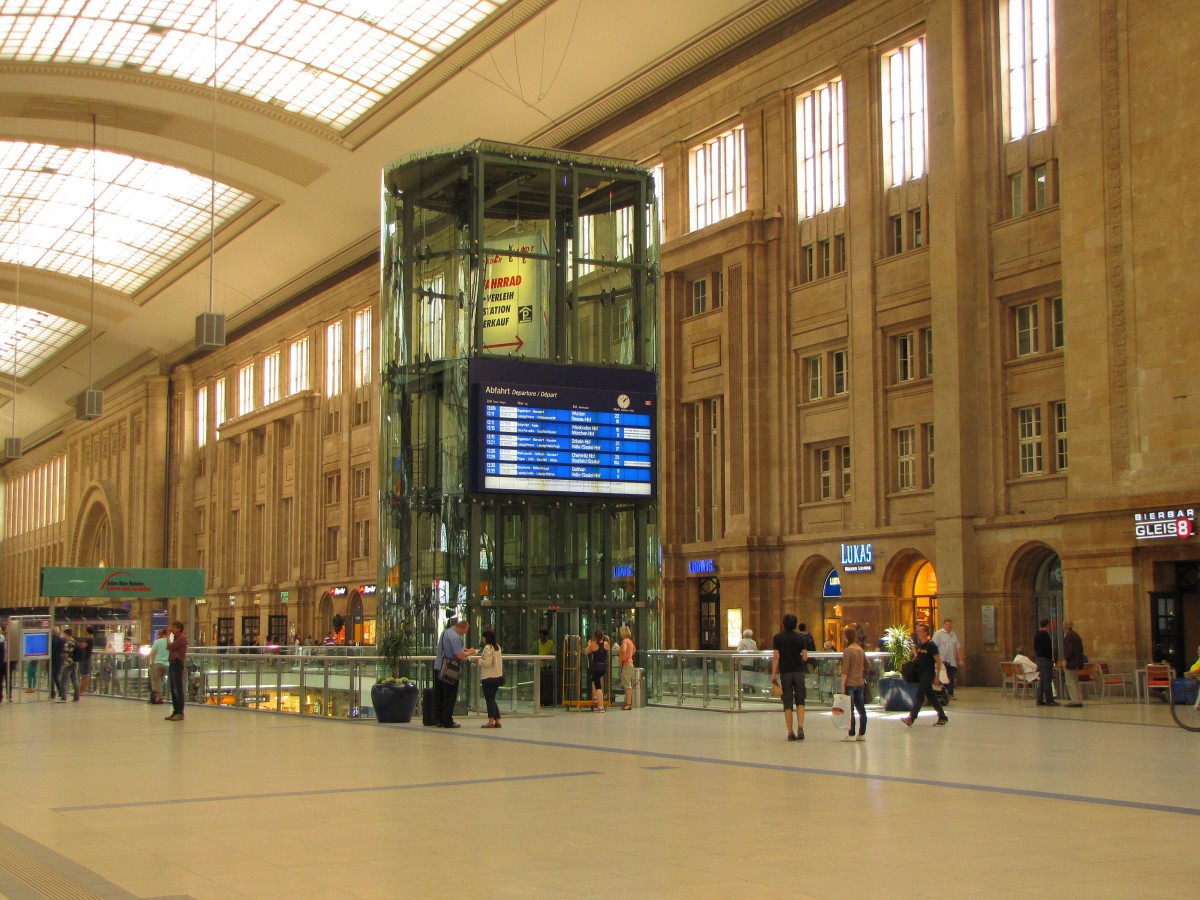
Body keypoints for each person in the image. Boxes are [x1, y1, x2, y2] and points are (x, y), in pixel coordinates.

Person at [433, 618, 476, 728]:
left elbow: (451, 649)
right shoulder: (455, 637)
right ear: (462, 628)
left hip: (438, 667)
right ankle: (448, 720)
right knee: (450, 695)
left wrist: (463, 650)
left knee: (440, 695)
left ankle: (440, 719)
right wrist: (471, 652)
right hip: (449, 670)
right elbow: (459, 655)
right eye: (465, 631)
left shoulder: (445, 633)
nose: (464, 633)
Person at [902, 622, 947, 726]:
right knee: (931, 696)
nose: (917, 633)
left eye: (919, 631)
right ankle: (942, 716)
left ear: (925, 633)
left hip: (928, 674)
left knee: (919, 696)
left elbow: (938, 661)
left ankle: (911, 718)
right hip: (921, 674)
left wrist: (937, 676)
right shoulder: (920, 645)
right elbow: (918, 658)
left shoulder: (931, 646)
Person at [771, 613, 808, 741]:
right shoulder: (800, 637)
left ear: (783, 623)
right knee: (800, 700)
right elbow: (805, 656)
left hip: (785, 672)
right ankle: (801, 726)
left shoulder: (778, 638)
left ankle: (790, 732)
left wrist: (774, 674)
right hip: (798, 671)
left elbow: (776, 657)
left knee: (787, 702)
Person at [839, 625, 867, 742]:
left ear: (846, 637)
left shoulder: (847, 651)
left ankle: (851, 734)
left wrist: (842, 685)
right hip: (860, 682)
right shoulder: (861, 650)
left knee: (850, 710)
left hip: (850, 683)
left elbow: (845, 670)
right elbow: (868, 665)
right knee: (861, 709)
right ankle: (861, 733)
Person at [478, 628, 504, 728]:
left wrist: (479, 661)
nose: (482, 639)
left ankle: (490, 721)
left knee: (489, 699)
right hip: (497, 676)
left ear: (486, 638)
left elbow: (487, 663)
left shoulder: (488, 648)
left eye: (483, 637)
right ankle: (497, 720)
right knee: (492, 698)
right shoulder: (497, 647)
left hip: (488, 676)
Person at [931, 619, 963, 699]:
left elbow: (957, 648)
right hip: (942, 660)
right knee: (944, 678)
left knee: (951, 677)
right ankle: (945, 693)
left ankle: (950, 693)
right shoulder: (938, 634)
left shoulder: (953, 635)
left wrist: (960, 659)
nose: (949, 626)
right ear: (944, 625)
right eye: (947, 624)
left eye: (950, 624)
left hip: (951, 660)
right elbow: (933, 646)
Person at [165, 620, 188, 721]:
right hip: (172, 664)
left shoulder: (182, 639)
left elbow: (169, 647)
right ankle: (175, 711)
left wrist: (168, 636)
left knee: (178, 689)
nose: (172, 629)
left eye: (174, 628)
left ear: (179, 629)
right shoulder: (176, 638)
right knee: (173, 689)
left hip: (177, 664)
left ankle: (180, 712)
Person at [583, 628, 610, 712]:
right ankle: (595, 697)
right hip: (603, 667)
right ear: (603, 636)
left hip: (596, 668)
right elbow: (607, 653)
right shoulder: (606, 644)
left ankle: (600, 706)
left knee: (598, 686)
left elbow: (586, 652)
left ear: (595, 636)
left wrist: (589, 644)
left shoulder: (593, 644)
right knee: (594, 680)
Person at [1033, 618, 1058, 706]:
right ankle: (1049, 700)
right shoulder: (1045, 635)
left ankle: (1039, 699)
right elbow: (1048, 648)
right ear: (1047, 625)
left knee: (1042, 679)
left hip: (1039, 658)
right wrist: (1051, 658)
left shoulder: (1037, 634)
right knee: (1047, 679)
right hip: (1046, 659)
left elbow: (1035, 648)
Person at [1062, 620, 1085, 707]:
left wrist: (1066, 659)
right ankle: (1078, 699)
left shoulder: (1068, 636)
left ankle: (1075, 700)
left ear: (1065, 627)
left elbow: (1070, 650)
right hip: (1076, 662)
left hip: (1071, 663)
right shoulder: (1076, 635)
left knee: (1070, 682)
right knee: (1075, 681)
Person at [56, 626, 78, 703]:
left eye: (64, 634)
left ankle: (63, 697)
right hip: (75, 662)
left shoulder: (67, 643)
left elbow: (66, 654)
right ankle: (76, 697)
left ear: (66, 634)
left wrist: (64, 658)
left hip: (68, 663)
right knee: (74, 679)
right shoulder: (74, 641)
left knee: (63, 680)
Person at [617, 625, 637, 710]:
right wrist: (630, 656)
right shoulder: (630, 641)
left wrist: (624, 658)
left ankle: (628, 703)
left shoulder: (624, 641)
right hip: (630, 663)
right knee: (627, 683)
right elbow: (634, 650)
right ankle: (628, 702)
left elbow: (624, 650)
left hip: (626, 664)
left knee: (627, 684)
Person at [148, 628, 169, 704]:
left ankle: (160, 698)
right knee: (161, 681)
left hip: (157, 664)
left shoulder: (157, 642)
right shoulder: (170, 642)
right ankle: (156, 697)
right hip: (167, 664)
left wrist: (151, 660)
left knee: (156, 682)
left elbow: (152, 653)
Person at [536, 628, 555, 706]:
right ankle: (538, 700)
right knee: (538, 685)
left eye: (542, 636)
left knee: (546, 685)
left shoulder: (551, 644)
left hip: (547, 667)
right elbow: (533, 652)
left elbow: (554, 654)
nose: (541, 638)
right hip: (538, 667)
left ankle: (547, 700)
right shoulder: (536, 643)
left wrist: (547, 658)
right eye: (540, 636)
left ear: (546, 636)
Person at [74, 626, 95, 698]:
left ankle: (82, 691)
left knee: (85, 675)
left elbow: (83, 645)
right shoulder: (91, 639)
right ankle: (81, 691)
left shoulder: (89, 640)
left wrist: (77, 643)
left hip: (86, 659)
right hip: (86, 658)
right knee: (85, 675)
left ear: (87, 632)